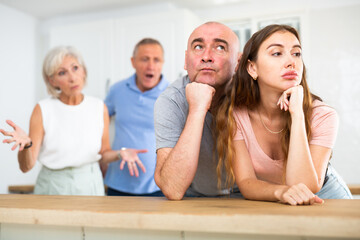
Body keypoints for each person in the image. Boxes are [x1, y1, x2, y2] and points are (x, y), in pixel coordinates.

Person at [215, 24, 352, 206]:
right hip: (275, 197)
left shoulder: (323, 116)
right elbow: (247, 182)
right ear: (252, 68)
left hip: (326, 197)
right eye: (277, 53)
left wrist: (297, 116)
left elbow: (304, 186)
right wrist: (280, 191)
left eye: (296, 53)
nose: (291, 62)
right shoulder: (236, 115)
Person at [0, 46, 111, 195]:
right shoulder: (43, 109)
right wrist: (27, 145)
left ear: (83, 71)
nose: (72, 78)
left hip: (91, 184)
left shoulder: (99, 107)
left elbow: (104, 152)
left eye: (75, 68)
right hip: (52, 186)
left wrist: (121, 154)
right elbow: (26, 167)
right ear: (52, 81)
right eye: (62, 73)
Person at [154, 22, 241, 200]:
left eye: (219, 47)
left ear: (238, 62)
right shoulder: (171, 100)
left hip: (248, 196)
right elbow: (172, 187)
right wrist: (197, 109)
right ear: (186, 61)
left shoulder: (253, 94)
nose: (206, 57)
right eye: (198, 47)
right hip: (195, 199)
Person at [101, 38, 169, 196]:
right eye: (144, 59)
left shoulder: (173, 93)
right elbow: (98, 121)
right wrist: (101, 155)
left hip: (158, 186)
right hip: (117, 184)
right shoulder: (116, 90)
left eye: (156, 60)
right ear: (133, 62)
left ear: (162, 63)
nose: (150, 66)